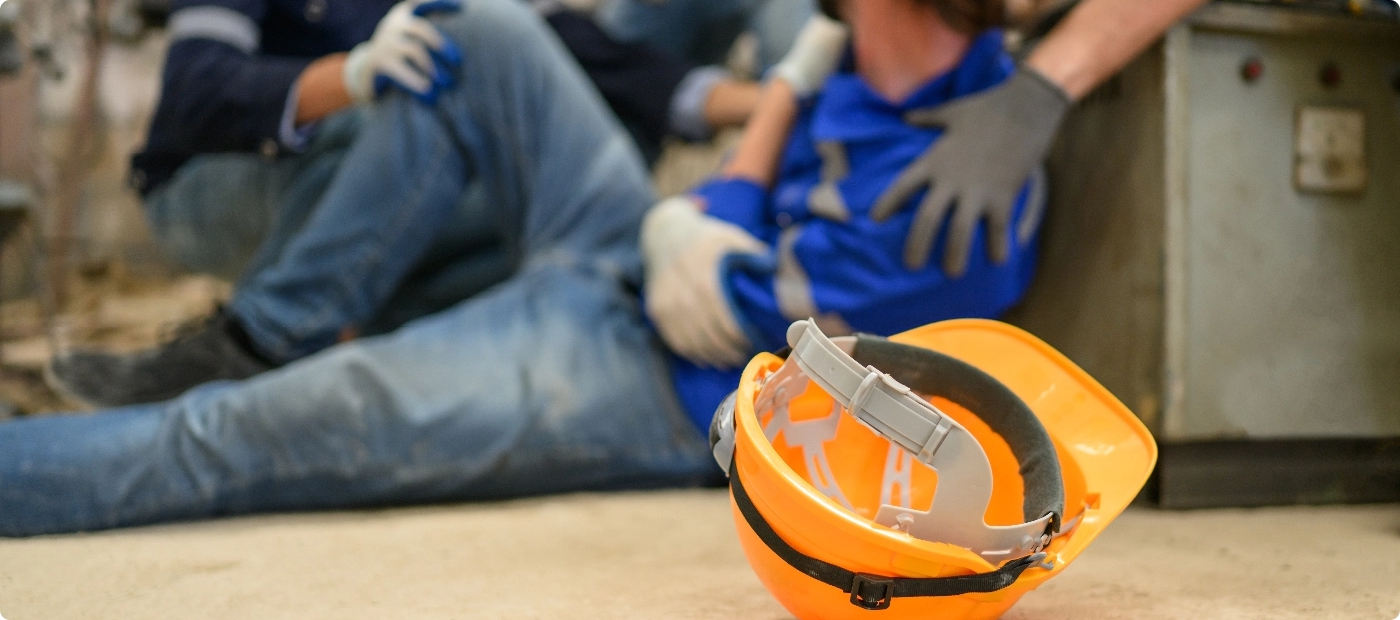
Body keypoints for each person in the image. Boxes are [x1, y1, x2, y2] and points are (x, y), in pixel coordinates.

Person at [2, 0, 1195, 537]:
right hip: (633, 261)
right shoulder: (845, 76)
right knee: (479, 33)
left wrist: (698, 236)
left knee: (220, 440)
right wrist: (686, 217)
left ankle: (223, 389)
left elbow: (763, 337)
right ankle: (271, 327)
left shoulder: (958, 181)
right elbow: (735, 208)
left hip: (647, 375)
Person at [46, 0, 759, 407]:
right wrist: (351, 76)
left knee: (501, 129)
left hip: (378, 187)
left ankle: (379, 334)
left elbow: (584, 53)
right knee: (415, 97)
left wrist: (774, 102)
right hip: (214, 181)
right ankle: (264, 339)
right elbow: (196, 94)